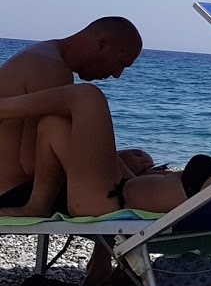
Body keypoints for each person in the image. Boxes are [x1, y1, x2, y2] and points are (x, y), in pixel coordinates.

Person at [0, 83, 211, 220]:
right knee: (53, 125)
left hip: (106, 201)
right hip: (121, 187)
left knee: (87, 97)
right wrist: (141, 172)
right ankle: (38, 203)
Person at [0, 17, 143, 211]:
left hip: (13, 187)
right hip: (13, 193)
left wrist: (112, 159)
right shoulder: (52, 69)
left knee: (131, 186)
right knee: (122, 199)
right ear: (103, 44)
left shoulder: (42, 53)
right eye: (120, 63)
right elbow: (33, 163)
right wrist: (108, 167)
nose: (117, 74)